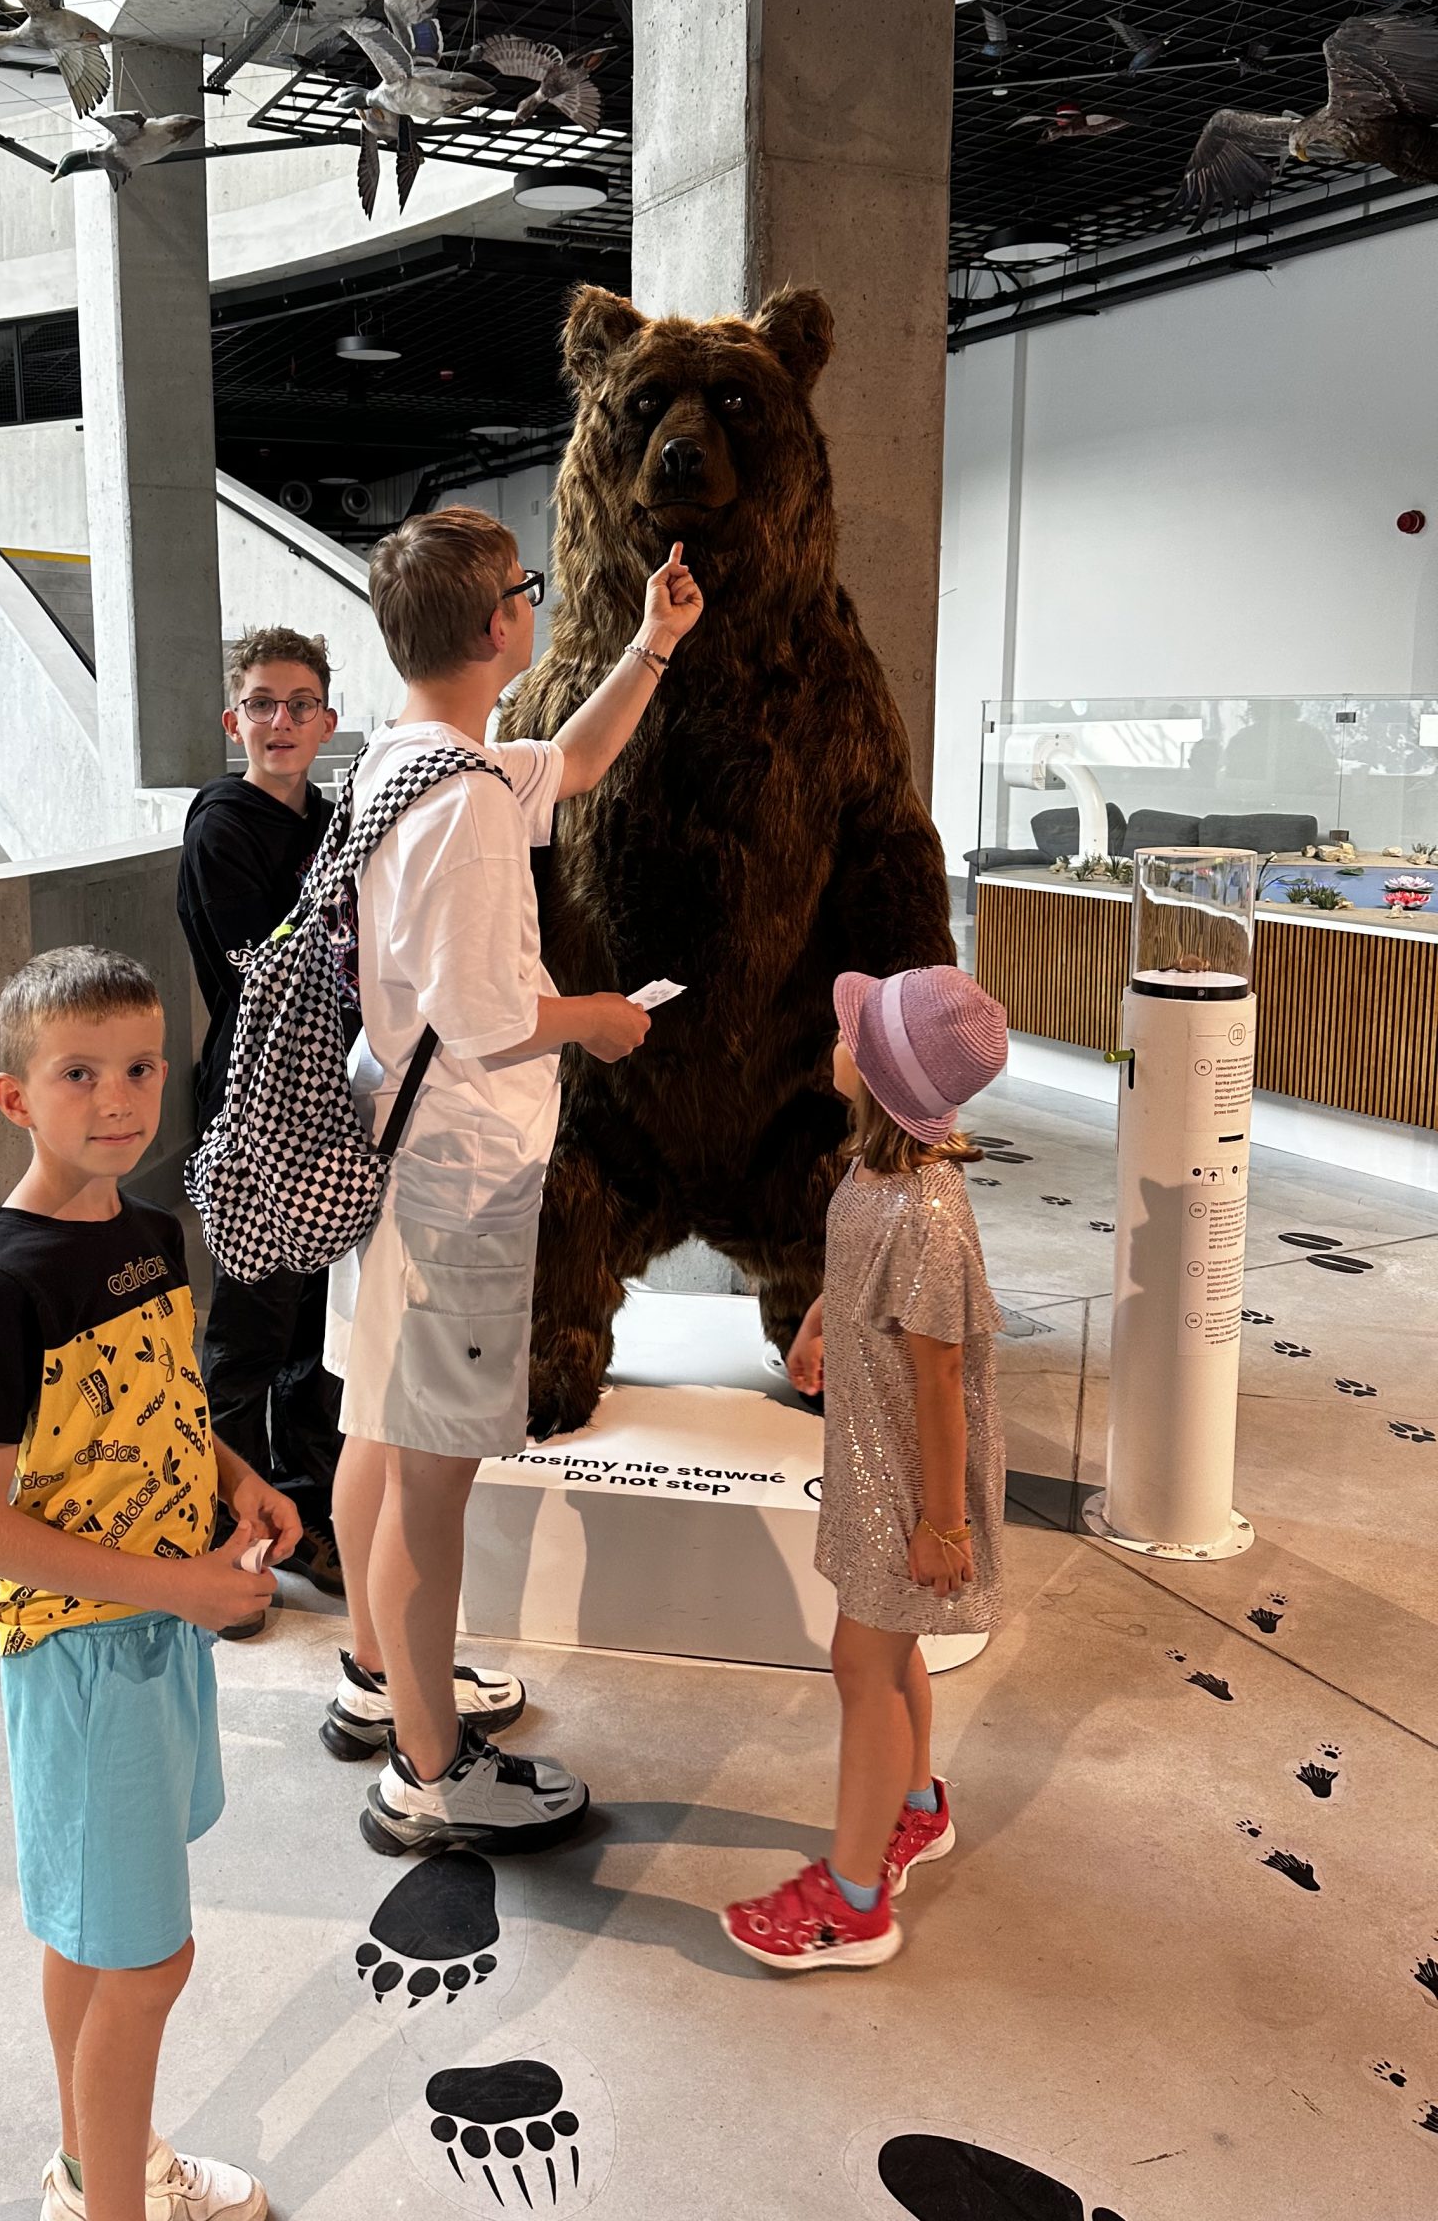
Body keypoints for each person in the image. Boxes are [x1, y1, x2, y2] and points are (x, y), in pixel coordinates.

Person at [325, 503, 704, 1853]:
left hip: (390, 1148)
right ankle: (430, 1765)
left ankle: (383, 1679)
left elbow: (578, 760)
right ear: (499, 624)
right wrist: (596, 1017)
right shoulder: (467, 805)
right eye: (527, 589)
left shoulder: (403, 765)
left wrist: (653, 645)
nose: (535, 605)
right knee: (431, 1482)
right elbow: (488, 1016)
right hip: (457, 1177)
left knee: (380, 1432)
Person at [0, 945, 297, 2221]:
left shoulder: (150, 1233)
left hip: (158, 1635)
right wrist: (177, 1586)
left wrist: (235, 1477)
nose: (119, 1099)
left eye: (141, 1067)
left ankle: (98, 2166)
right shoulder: (6, 1286)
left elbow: (158, 1402)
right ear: (16, 1096)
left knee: (93, 1938)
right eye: (78, 1073)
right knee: (152, 1961)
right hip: (87, 1657)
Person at [722, 963, 1009, 1973]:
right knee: (887, 1653)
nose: (836, 1039)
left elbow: (942, 1379)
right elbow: (859, 1280)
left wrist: (944, 1522)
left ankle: (853, 1901)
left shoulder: (927, 1215)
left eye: (856, 1034)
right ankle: (915, 1805)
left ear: (882, 1077)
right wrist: (818, 1322)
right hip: (872, 1459)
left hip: (909, 1482)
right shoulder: (874, 1176)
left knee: (864, 1663)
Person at [177, 627, 346, 1618]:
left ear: (327, 721)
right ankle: (226, 1541)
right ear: (233, 719)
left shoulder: (332, 819)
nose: (280, 721)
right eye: (262, 704)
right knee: (249, 1334)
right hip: (252, 1112)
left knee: (317, 1332)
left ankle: (309, 1514)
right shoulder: (222, 828)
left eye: (300, 704)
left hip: (327, 1108)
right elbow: (273, 966)